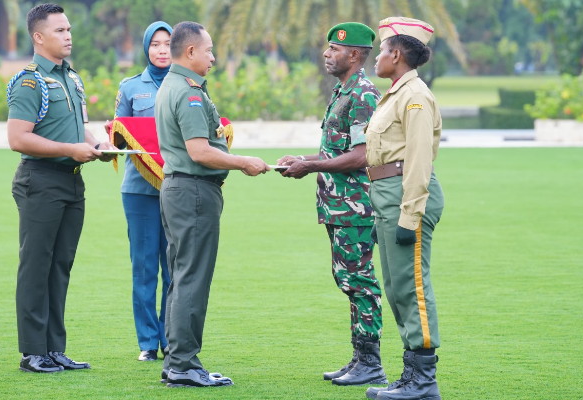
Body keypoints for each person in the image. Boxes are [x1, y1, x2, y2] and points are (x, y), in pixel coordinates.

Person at [155, 21, 269, 388]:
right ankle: (184, 364)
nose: (213, 58)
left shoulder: (172, 85)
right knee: (192, 279)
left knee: (180, 276)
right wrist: (243, 161)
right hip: (193, 192)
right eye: (208, 50)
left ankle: (177, 360)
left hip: (179, 190)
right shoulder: (188, 93)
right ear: (190, 52)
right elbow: (199, 151)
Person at [6, 3, 115, 373]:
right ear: (38, 37)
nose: (68, 36)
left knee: (60, 267)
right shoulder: (30, 81)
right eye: (59, 31)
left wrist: (97, 145)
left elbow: (79, 127)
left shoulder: (73, 78)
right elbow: (18, 138)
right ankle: (32, 351)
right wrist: (71, 149)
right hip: (40, 181)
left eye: (69, 30)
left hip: (72, 183)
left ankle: (54, 348)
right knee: (36, 266)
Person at [277, 22, 387, 386]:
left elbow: (360, 156)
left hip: (354, 207)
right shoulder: (344, 90)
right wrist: (304, 159)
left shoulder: (363, 94)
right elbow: (336, 151)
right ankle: (359, 359)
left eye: (334, 49)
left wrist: (311, 166)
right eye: (327, 48)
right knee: (348, 280)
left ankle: (370, 362)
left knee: (360, 282)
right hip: (338, 206)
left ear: (355, 55)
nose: (326, 54)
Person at [363, 17, 445, 400]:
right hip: (387, 194)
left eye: (381, 50)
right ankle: (411, 376)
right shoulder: (395, 94)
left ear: (396, 54)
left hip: (405, 196)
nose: (376, 57)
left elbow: (418, 160)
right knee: (396, 289)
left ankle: (423, 381)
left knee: (411, 287)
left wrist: (410, 215)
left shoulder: (415, 96)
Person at [108, 21, 174, 362]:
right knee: (145, 267)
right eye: (155, 44)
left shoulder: (190, 86)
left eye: (167, 43)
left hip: (177, 189)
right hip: (139, 191)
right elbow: (118, 132)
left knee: (175, 268)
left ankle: (172, 338)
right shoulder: (131, 87)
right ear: (146, 48)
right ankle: (148, 342)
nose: (162, 50)